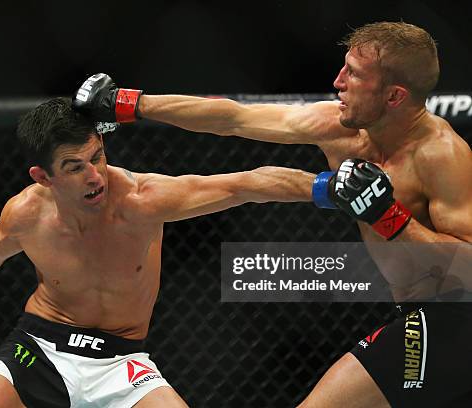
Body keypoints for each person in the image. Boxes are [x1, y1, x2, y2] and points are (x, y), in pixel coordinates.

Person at [74, 22, 472, 407]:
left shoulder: (441, 155)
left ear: (394, 96)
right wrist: (128, 103)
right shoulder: (340, 127)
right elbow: (234, 119)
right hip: (421, 313)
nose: (338, 82)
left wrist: (389, 216)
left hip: (455, 316)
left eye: (353, 74)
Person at [0, 96, 320, 407]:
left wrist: (326, 188)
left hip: (122, 362)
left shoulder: (141, 200)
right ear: (44, 176)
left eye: (98, 156)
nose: (95, 176)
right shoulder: (27, 213)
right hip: (37, 348)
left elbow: (242, 185)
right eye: (75, 167)